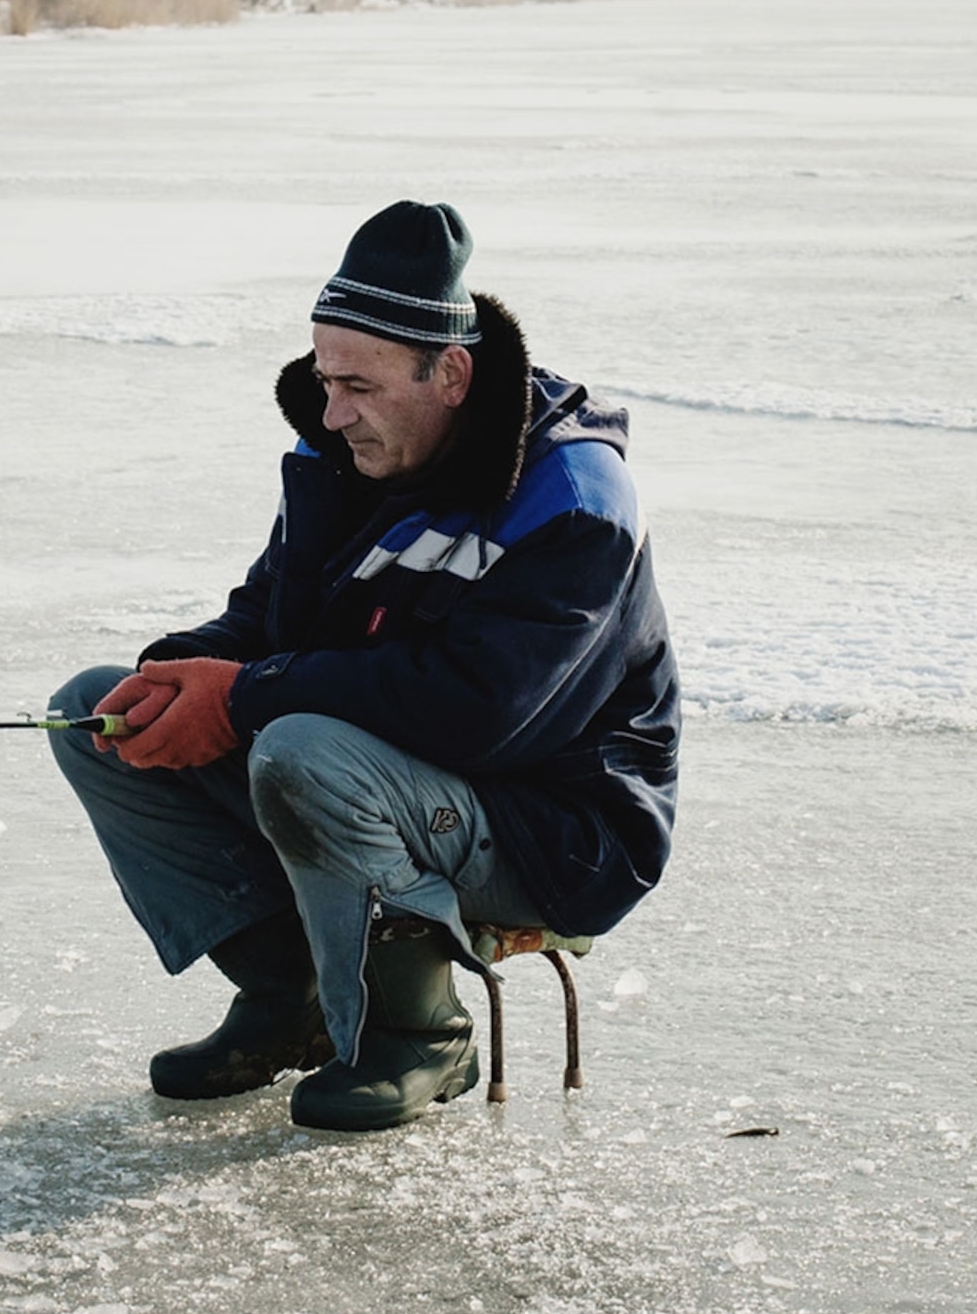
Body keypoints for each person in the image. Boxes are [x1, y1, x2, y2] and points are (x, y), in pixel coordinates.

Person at [45, 199, 681, 1132]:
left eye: (362, 386)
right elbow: (272, 615)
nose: (333, 410)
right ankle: (291, 996)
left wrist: (248, 694)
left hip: (557, 825)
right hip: (391, 776)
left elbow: (484, 712)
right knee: (96, 711)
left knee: (300, 747)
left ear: (451, 373)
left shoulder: (575, 498)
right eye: (324, 376)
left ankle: (421, 1033)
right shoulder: (345, 447)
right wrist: (189, 667)